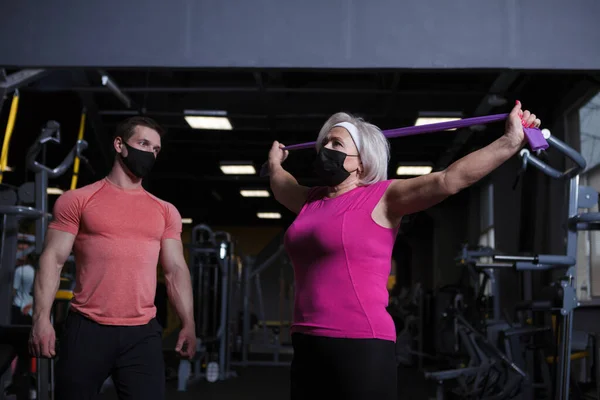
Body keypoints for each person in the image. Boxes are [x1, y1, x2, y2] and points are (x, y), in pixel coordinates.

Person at [268, 101, 540, 400]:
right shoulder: (311, 201)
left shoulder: (383, 197)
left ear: (361, 161)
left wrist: (510, 141)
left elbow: (448, 179)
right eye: (324, 143)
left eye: (336, 143)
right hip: (306, 340)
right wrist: (275, 162)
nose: (325, 149)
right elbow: (282, 185)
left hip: (360, 341)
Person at [29, 116, 197, 400]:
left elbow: (176, 270)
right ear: (120, 145)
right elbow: (53, 259)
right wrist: (40, 320)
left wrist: (189, 323)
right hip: (87, 328)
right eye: (144, 143)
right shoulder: (78, 200)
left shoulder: (166, 211)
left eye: (156, 149)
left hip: (142, 334)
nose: (150, 153)